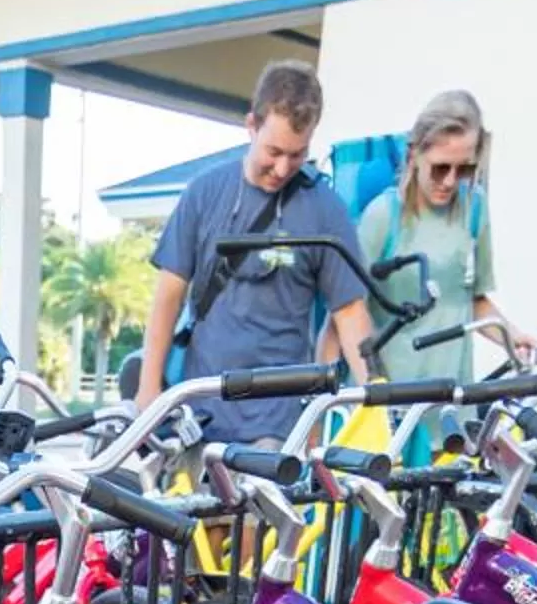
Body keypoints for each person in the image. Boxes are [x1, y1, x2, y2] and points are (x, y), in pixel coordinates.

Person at [136, 60, 375, 440]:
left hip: (275, 423)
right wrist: (148, 391)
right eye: (274, 151)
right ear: (251, 126)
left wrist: (374, 395)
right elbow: (169, 295)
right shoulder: (205, 192)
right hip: (199, 416)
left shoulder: (326, 209)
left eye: (296, 155)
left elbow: (349, 313)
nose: (282, 168)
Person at [358, 90, 536, 381]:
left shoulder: (474, 208)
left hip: (451, 396)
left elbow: (472, 299)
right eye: (440, 169)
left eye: (464, 169)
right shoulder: (383, 217)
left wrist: (512, 338)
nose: (451, 181)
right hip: (393, 398)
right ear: (415, 154)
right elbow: (348, 313)